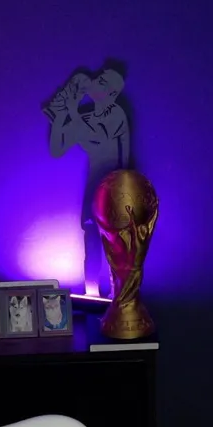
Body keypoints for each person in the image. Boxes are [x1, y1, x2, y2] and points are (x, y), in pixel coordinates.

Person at [43, 67, 131, 297]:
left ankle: (117, 297)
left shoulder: (116, 115)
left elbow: (96, 139)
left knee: (115, 246)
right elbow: (57, 149)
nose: (95, 82)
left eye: (101, 82)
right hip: (93, 191)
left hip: (114, 193)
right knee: (91, 245)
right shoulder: (87, 118)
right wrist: (60, 116)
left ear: (111, 93)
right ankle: (91, 294)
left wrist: (72, 112)